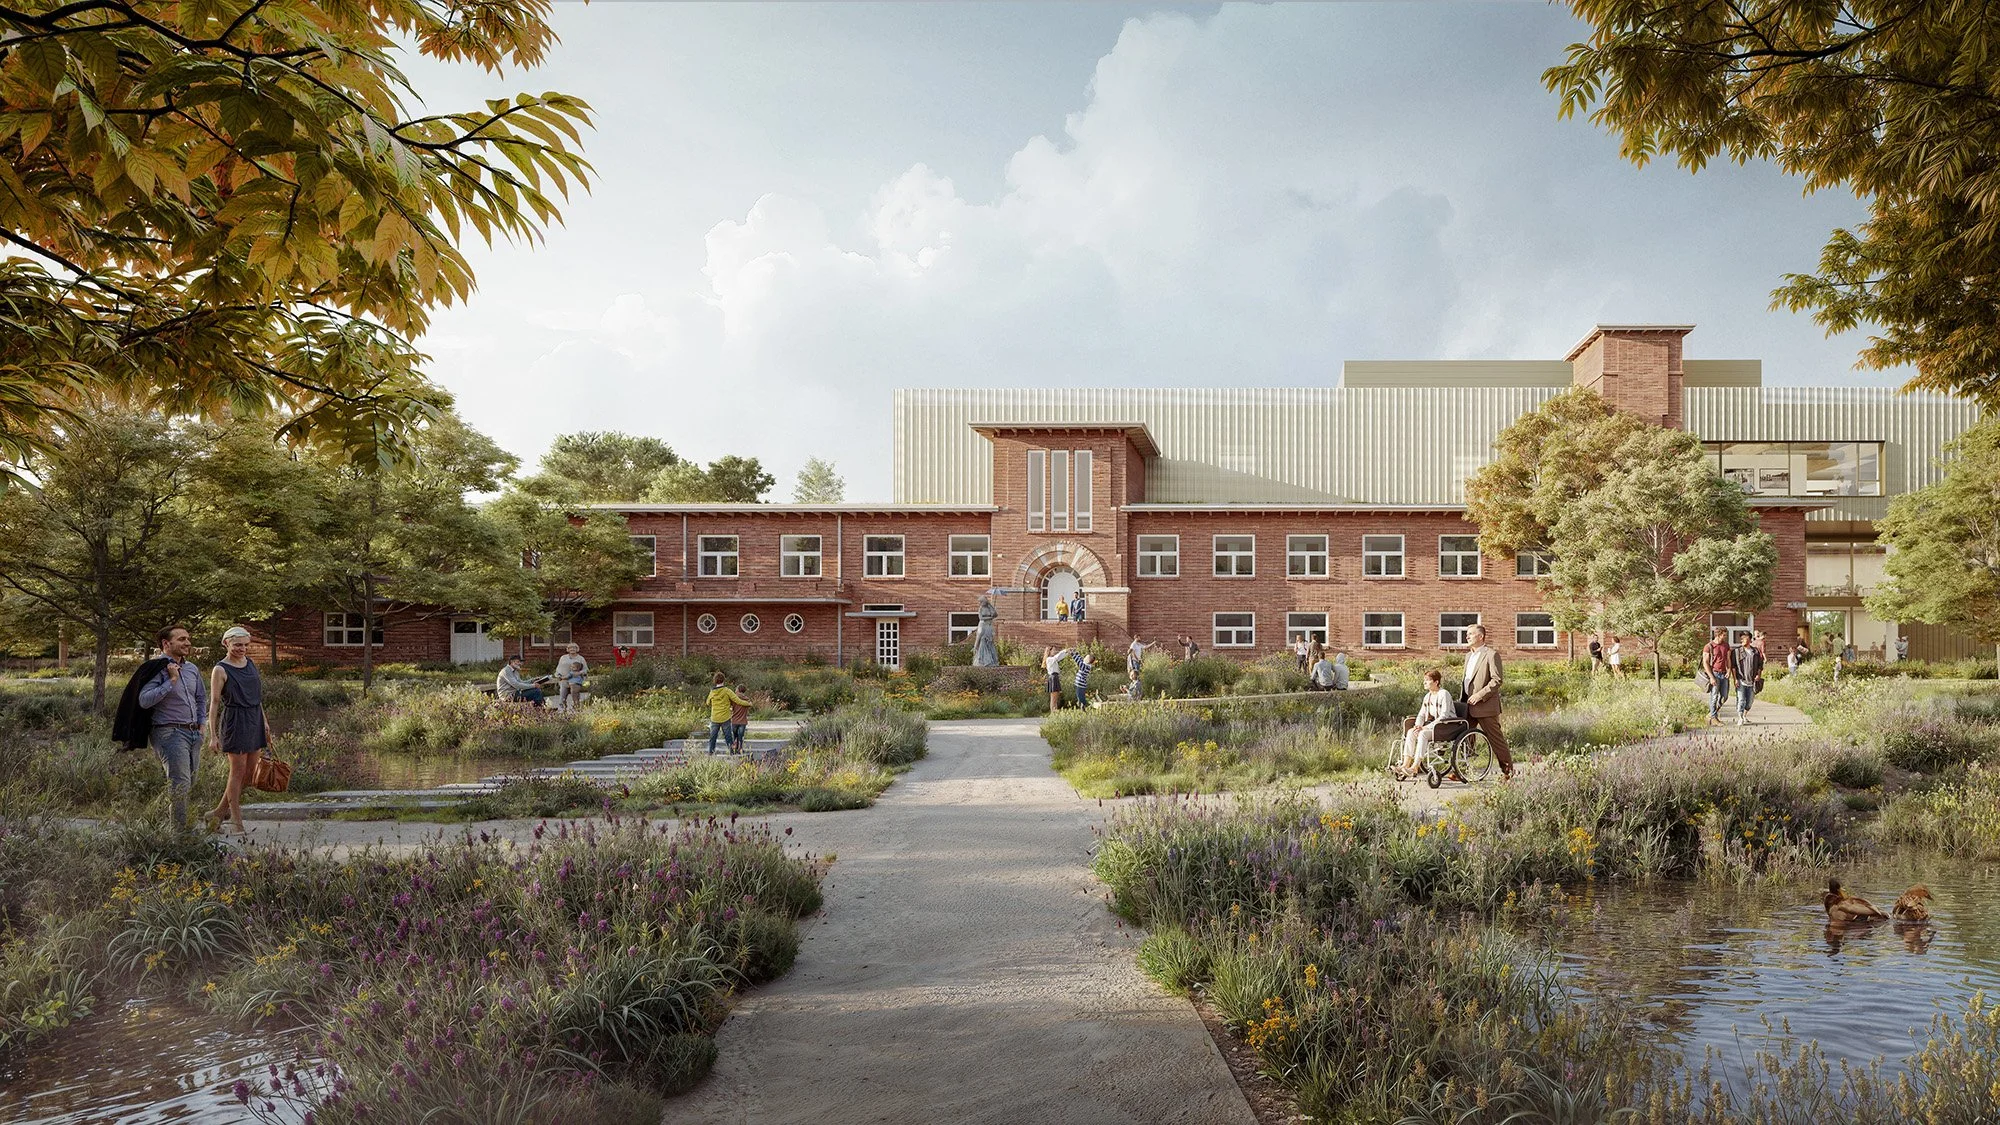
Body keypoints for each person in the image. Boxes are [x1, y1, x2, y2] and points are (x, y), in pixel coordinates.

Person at [115, 624, 208, 829]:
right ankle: (179, 836)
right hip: (169, 732)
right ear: (167, 643)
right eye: (182, 639)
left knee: (188, 783)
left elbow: (201, 698)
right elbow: (144, 700)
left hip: (193, 733)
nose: (188, 642)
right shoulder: (156, 668)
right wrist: (171, 680)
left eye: (188, 638)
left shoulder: (192, 669)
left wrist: (202, 724)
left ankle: (171, 825)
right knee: (180, 783)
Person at [205, 625, 272, 836]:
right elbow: (215, 703)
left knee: (250, 774)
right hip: (235, 720)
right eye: (237, 645)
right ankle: (236, 821)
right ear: (226, 643)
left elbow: (257, 697)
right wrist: (213, 735)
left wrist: (265, 722)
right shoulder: (220, 669)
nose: (242, 649)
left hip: (254, 719)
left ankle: (217, 813)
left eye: (245, 645)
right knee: (237, 772)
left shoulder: (250, 663)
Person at [1460, 624, 1514, 781]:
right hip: (1467, 705)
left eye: (1470, 634)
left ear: (1480, 636)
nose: (1467, 636)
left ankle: (1507, 772)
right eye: (1467, 634)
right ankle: (1463, 770)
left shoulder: (1491, 655)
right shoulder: (1468, 656)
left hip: (1485, 706)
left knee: (1496, 740)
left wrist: (1479, 695)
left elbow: (1497, 680)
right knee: (1464, 739)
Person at [1395, 669, 1455, 779]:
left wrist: (1424, 727)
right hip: (1434, 726)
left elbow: (1444, 716)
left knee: (1422, 734)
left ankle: (1415, 766)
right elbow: (1422, 714)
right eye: (1424, 680)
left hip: (1447, 726)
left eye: (1427, 680)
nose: (1424, 683)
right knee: (1411, 732)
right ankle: (1405, 764)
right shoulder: (1427, 696)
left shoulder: (1444, 694)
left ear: (1436, 682)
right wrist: (1418, 725)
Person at [706, 673, 753, 753]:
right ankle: (732, 752)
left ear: (715, 681)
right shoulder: (727, 691)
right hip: (725, 718)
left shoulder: (712, 692)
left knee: (713, 737)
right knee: (728, 737)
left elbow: (707, 703)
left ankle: (711, 753)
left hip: (715, 718)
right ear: (724, 680)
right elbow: (738, 701)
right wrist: (748, 704)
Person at [1701, 628, 1733, 724]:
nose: (1725, 636)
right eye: (1724, 635)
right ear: (1718, 635)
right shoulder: (1708, 646)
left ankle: (1711, 714)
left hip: (1724, 674)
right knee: (1714, 696)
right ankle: (1714, 718)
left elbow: (1728, 659)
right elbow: (1705, 663)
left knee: (1724, 697)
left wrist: (1729, 670)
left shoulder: (1726, 645)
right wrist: (1711, 677)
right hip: (1714, 673)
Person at [1732, 633, 1765, 726]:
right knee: (1741, 699)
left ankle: (1744, 715)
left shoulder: (1756, 651)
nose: (1742, 640)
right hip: (1741, 679)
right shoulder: (1737, 651)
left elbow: (1760, 665)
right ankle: (1740, 717)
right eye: (1741, 638)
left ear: (1750, 640)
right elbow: (1733, 667)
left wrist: (1758, 675)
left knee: (1749, 702)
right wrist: (1735, 679)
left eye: (1744, 638)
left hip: (1752, 681)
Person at [553, 643, 588, 713]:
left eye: (574, 648)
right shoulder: (563, 657)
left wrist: (579, 673)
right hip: (564, 679)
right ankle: (562, 710)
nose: (572, 649)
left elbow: (585, 669)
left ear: (577, 649)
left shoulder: (580, 658)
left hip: (575, 681)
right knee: (562, 695)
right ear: (568, 649)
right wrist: (558, 675)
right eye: (570, 648)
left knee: (575, 695)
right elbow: (559, 667)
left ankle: (577, 710)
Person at [1043, 645, 1071, 712]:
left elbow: (1060, 657)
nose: (1055, 651)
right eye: (1053, 650)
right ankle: (1053, 711)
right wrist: (1065, 650)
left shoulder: (1053, 659)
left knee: (1056, 696)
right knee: (1053, 697)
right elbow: (1057, 657)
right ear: (1049, 651)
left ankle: (1055, 710)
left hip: (1055, 677)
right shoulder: (1049, 659)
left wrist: (1067, 652)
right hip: (1053, 678)